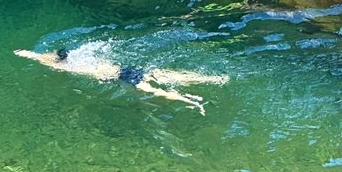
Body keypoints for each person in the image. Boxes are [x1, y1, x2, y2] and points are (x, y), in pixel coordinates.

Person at [14, 46, 229, 115]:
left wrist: (28, 55)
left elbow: (47, 62)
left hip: (121, 78)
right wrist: (28, 53)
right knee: (163, 73)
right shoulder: (81, 57)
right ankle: (211, 79)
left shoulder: (68, 67)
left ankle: (192, 102)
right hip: (125, 69)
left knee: (156, 92)